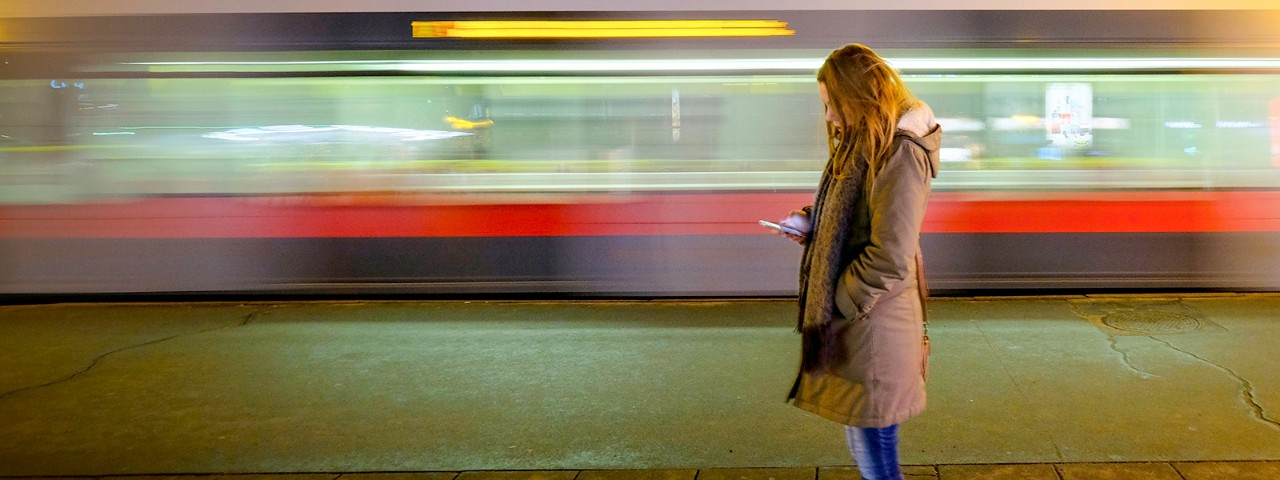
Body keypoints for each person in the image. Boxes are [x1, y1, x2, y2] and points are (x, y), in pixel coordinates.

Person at [772, 43, 940, 480]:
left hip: (875, 327)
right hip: (866, 325)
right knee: (865, 437)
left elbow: (890, 256)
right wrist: (811, 223)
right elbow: (856, 218)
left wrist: (841, 300)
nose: (828, 117)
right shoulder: (865, 144)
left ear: (857, 96)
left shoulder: (899, 151)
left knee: (877, 456)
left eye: (832, 104)